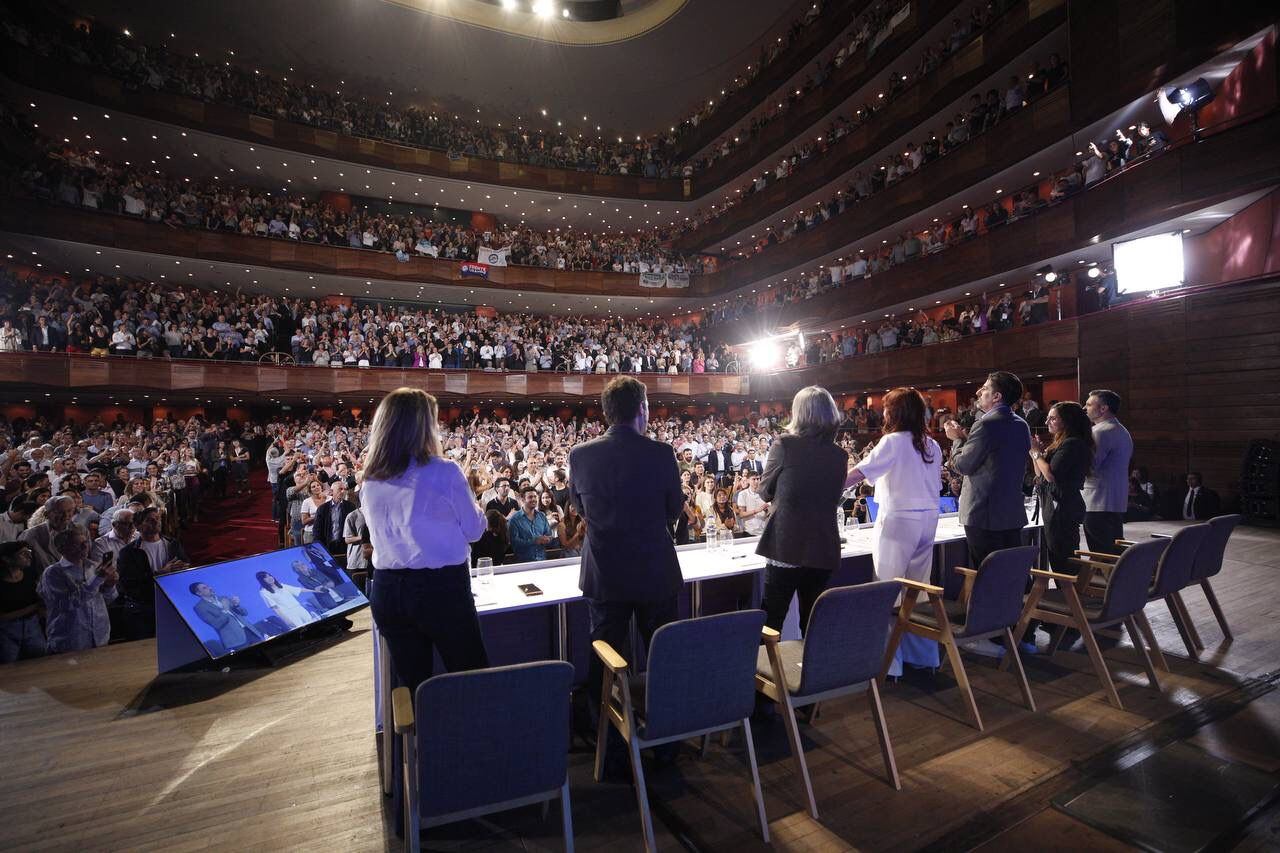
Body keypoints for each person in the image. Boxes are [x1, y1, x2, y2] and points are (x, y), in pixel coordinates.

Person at [569, 376, 683, 739]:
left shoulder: (581, 455)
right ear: (642, 409)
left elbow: (578, 506)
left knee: (604, 658)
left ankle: (604, 735)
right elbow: (673, 510)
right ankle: (669, 735)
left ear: (606, 412)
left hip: (605, 573)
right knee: (664, 656)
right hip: (654, 570)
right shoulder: (661, 453)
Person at [360, 388, 488, 694]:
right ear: (421, 426)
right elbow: (474, 531)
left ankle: (422, 742)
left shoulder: (369, 478)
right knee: (472, 679)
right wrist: (477, 506)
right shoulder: (444, 471)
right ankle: (473, 741)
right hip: (440, 589)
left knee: (417, 689)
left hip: (388, 589)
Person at [846, 388, 941, 673]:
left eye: (887, 408)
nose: (883, 413)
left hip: (900, 519)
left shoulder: (893, 441)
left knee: (886, 590)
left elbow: (858, 474)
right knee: (918, 591)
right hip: (928, 519)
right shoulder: (931, 444)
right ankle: (923, 657)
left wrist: (824, 485)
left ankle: (890, 664)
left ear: (896, 412)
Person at [756, 386, 847, 635]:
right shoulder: (840, 455)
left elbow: (764, 491)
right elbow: (833, 496)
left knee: (771, 620)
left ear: (800, 413)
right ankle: (812, 673)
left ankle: (766, 673)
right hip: (822, 546)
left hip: (787, 544)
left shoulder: (785, 445)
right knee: (813, 622)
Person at [944, 371, 1032, 578]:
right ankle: (1013, 610)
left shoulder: (985, 423)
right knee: (1010, 575)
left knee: (989, 575)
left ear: (996, 396)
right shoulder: (1021, 424)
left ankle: (989, 611)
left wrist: (956, 439)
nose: (978, 391)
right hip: (1010, 511)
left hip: (984, 513)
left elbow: (963, 465)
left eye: (984, 388)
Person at [1030, 402, 1094, 574]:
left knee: (1062, 555)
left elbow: (1052, 475)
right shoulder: (1060, 442)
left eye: (1053, 418)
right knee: (1056, 553)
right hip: (1054, 504)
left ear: (1067, 420)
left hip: (1063, 505)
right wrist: (1036, 454)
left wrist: (1036, 453)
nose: (1047, 422)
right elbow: (1040, 474)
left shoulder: (1072, 443)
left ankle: (1069, 594)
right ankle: (1068, 594)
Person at [38, 525, 118, 653]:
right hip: (70, 640)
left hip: (99, 636)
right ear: (62, 549)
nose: (85, 547)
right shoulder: (53, 573)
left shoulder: (93, 566)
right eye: (77, 544)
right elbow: (66, 604)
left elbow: (109, 599)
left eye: (85, 542)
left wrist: (110, 585)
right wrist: (97, 580)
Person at [1082, 389, 1133, 555]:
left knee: (1102, 556)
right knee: (1114, 551)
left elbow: (1089, 467)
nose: (1085, 407)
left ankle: (1114, 581)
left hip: (1098, 502)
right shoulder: (1121, 430)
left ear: (1103, 408)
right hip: (1114, 500)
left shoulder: (1100, 432)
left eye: (1089, 404)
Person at [0, 541, 47, 662]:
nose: (29, 556)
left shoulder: (29, 573)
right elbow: (3, 617)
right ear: (7, 559)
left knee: (40, 658)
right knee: (8, 663)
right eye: (23, 554)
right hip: (7, 630)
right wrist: (34, 607)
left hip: (32, 624)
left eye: (29, 552)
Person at [191, 582, 264, 651]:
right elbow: (216, 624)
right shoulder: (200, 607)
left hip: (250, 630)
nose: (209, 588)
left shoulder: (223, 598)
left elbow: (244, 613)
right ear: (198, 593)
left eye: (208, 586)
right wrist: (225, 609)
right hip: (235, 640)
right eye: (205, 588)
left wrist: (237, 605)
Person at [508, 487, 558, 562]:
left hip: (542, 559)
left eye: (535, 497)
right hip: (524, 562)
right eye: (530, 497)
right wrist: (534, 541)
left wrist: (547, 539)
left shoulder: (541, 516)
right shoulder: (514, 520)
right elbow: (514, 543)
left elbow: (548, 535)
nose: (534, 499)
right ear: (523, 500)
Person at [311, 481, 355, 560]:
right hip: (327, 545)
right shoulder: (323, 509)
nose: (343, 491)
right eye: (340, 489)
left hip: (344, 546)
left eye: (344, 489)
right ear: (331, 492)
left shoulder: (350, 507)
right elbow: (317, 531)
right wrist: (319, 549)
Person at [736, 470, 770, 536]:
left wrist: (767, 510)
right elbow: (741, 514)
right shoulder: (743, 494)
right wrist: (757, 510)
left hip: (764, 531)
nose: (756, 481)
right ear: (748, 480)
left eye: (758, 479)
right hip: (749, 532)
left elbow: (769, 512)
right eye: (753, 479)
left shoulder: (765, 493)